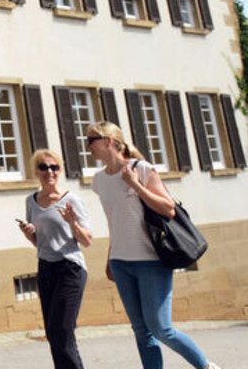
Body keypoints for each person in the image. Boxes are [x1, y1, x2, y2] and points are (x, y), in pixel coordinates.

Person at [87, 121, 222, 369]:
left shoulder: (142, 169)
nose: (87, 147)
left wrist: (136, 186)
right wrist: (109, 258)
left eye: (90, 140)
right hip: (120, 262)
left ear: (109, 142)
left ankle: (206, 366)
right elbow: (115, 222)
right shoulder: (98, 181)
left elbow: (168, 209)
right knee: (141, 331)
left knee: (162, 328)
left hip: (151, 262)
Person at [17, 149, 92, 369]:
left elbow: (87, 240)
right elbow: (40, 242)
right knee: (53, 332)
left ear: (59, 171)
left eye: (54, 167)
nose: (49, 171)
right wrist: (28, 233)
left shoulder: (71, 200)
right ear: (36, 172)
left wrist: (72, 223)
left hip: (70, 268)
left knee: (62, 330)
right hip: (46, 268)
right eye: (43, 167)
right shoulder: (31, 201)